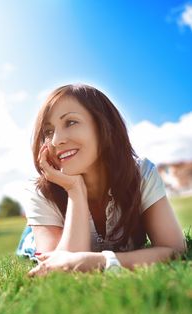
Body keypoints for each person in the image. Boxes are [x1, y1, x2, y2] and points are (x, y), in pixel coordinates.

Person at [17, 83, 187, 277]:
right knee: (30, 242)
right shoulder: (40, 192)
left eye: (71, 122)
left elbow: (175, 250)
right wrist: (74, 190)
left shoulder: (141, 174)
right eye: (48, 131)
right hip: (42, 231)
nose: (56, 141)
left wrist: (102, 261)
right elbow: (61, 269)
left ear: (105, 126)